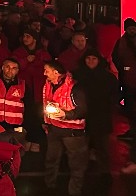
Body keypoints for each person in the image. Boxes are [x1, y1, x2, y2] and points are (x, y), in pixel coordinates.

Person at [41, 60, 87, 196]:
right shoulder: (48, 85)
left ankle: (74, 192)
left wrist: (65, 114)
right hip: (54, 130)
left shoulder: (74, 87)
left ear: (56, 72)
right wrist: (46, 123)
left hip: (72, 132)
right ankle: (49, 189)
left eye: (46, 70)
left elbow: (83, 110)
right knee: (51, 160)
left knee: (76, 165)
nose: (44, 73)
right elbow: (45, 104)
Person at [73, 49, 117, 177]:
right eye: (88, 58)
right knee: (82, 147)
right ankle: (81, 172)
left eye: (94, 59)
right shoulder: (78, 75)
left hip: (101, 116)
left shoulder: (108, 77)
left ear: (99, 60)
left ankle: (104, 172)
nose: (91, 61)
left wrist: (110, 106)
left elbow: (115, 94)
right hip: (82, 116)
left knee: (102, 147)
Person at [112, 18, 136, 140]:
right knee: (130, 106)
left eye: (133, 28)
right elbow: (115, 57)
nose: (132, 30)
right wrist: (122, 69)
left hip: (128, 77)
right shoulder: (121, 42)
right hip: (128, 79)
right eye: (130, 28)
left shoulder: (121, 42)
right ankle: (131, 129)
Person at [0, 58, 25, 134]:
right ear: (2, 67)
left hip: (14, 127)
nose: (10, 70)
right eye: (7, 67)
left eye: (14, 68)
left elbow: (29, 107)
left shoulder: (23, 85)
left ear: (17, 71)